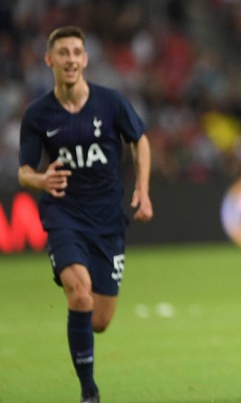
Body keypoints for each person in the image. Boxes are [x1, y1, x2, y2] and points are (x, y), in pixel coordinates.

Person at [18, 26, 153, 403]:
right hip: (64, 215)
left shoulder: (110, 103)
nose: (71, 59)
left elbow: (140, 140)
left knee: (99, 320)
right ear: (50, 60)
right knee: (79, 294)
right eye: (63, 53)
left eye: (77, 52)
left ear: (86, 59)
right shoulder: (38, 114)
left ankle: (78, 295)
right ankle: (89, 392)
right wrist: (41, 180)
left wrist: (142, 189)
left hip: (107, 220)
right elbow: (24, 170)